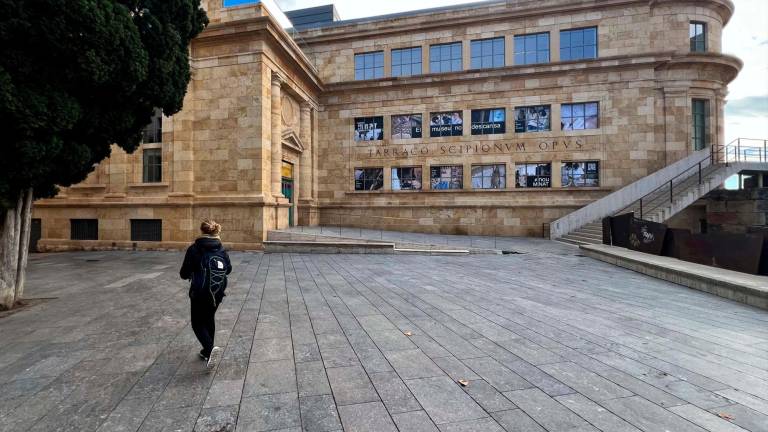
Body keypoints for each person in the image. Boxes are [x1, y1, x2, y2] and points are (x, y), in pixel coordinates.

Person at [179, 219, 232, 370]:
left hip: (199, 292)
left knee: (197, 323)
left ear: (202, 231)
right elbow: (228, 270)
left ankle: (209, 349)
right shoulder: (220, 248)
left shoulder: (194, 249)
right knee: (209, 318)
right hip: (217, 292)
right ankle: (207, 351)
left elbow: (184, 274)